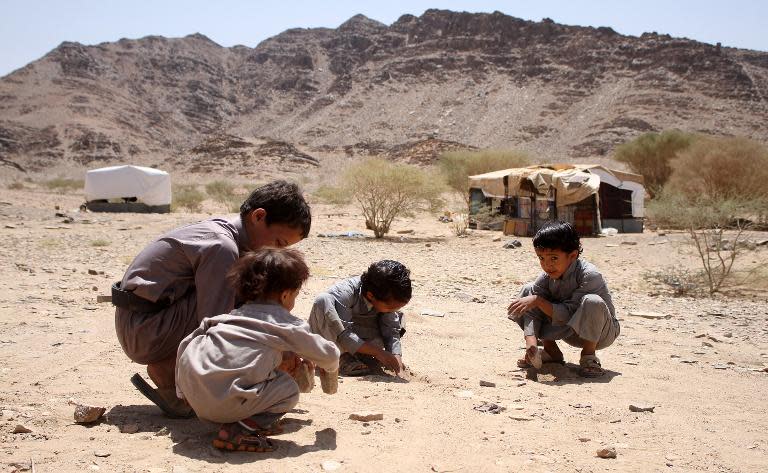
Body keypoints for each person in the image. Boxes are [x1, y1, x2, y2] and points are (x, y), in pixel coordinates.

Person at [112, 180, 311, 417]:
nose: (277, 253)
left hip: (151, 321)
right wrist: (278, 351)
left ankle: (175, 369)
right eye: (279, 243)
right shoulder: (222, 246)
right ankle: (169, 371)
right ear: (258, 217)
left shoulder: (232, 238)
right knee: (243, 314)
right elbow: (217, 323)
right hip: (144, 330)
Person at [176, 248, 340, 452]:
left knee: (264, 363)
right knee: (288, 390)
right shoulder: (285, 325)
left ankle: (234, 414)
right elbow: (330, 355)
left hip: (196, 401)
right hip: (224, 406)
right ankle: (239, 430)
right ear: (286, 295)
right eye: (295, 295)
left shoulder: (225, 319)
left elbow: (186, 344)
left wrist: (183, 391)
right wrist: (330, 369)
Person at [507, 221, 620, 377]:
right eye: (541, 258)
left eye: (553, 258)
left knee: (592, 301)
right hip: (570, 332)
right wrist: (531, 345)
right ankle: (551, 352)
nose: (547, 265)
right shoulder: (546, 278)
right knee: (529, 290)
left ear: (572, 255)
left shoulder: (589, 275)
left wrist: (538, 301)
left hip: (601, 333)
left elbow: (570, 314)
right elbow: (533, 314)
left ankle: (589, 358)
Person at [308, 260, 411, 377]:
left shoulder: (384, 297)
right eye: (390, 307)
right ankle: (341, 358)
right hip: (335, 339)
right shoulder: (345, 293)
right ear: (371, 295)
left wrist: (396, 359)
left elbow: (391, 331)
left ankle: (362, 356)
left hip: (361, 337)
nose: (393, 310)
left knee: (398, 319)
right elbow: (344, 334)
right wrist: (378, 352)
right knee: (323, 301)